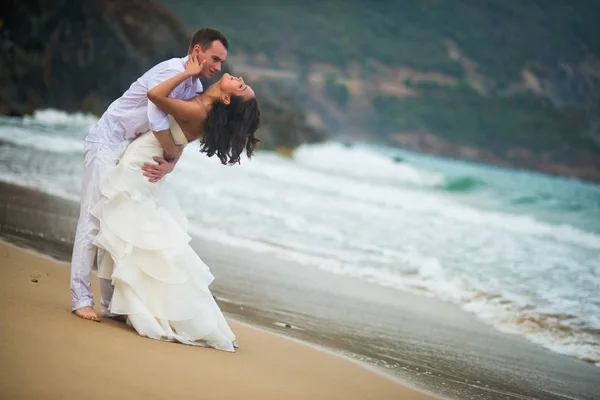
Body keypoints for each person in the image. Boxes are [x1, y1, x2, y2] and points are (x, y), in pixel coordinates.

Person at [90, 54, 260, 351]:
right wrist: (171, 160)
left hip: (139, 170)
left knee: (132, 238)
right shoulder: (201, 105)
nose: (240, 79)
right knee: (134, 238)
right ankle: (121, 303)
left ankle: (137, 306)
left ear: (227, 99)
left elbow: (155, 95)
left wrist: (189, 71)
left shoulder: (199, 109)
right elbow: (175, 141)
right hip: (147, 167)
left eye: (241, 87)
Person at [70, 28, 229, 322]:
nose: (218, 68)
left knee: (114, 225)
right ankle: (80, 298)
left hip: (127, 150)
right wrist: (170, 155)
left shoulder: (192, 88)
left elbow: (179, 135)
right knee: (93, 220)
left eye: (221, 63)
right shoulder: (169, 71)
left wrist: (171, 163)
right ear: (197, 51)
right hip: (107, 142)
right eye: (215, 59)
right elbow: (158, 122)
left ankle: (110, 304)